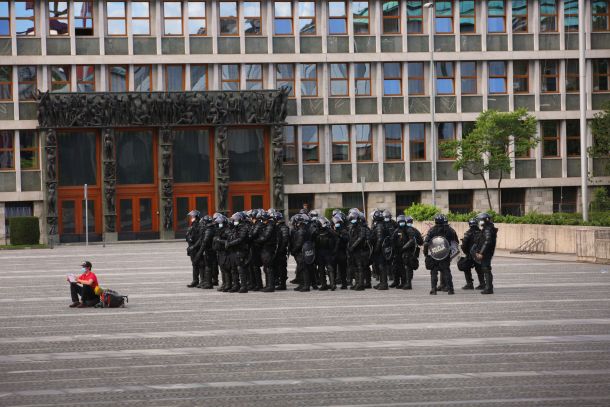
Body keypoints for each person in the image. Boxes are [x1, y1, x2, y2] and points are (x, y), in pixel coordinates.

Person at [423, 214, 458, 295]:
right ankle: (450, 290)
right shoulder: (450, 230)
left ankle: (434, 289)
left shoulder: (432, 230)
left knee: (433, 272)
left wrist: (426, 254)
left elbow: (425, 243)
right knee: (446, 271)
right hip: (445, 254)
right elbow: (455, 243)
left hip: (434, 254)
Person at [393, 215, 423, 290]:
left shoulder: (410, 230)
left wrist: (404, 247)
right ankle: (402, 283)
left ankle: (408, 283)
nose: (401, 223)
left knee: (407, 267)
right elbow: (393, 240)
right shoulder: (397, 230)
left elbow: (413, 241)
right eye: (400, 222)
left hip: (408, 252)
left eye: (403, 222)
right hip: (399, 252)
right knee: (400, 268)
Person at [473, 212, 498, 295]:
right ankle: (488, 286)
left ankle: (488, 288)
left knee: (486, 269)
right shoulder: (487, 228)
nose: (479, 222)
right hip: (486, 252)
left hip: (486, 253)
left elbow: (487, 241)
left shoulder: (487, 229)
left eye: (480, 220)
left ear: (484, 220)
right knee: (486, 269)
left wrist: (481, 252)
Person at [226, 212, 251, 293]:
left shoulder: (243, 227)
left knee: (240, 268)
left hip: (240, 250)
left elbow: (241, 238)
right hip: (233, 250)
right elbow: (229, 236)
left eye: (235, 219)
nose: (233, 221)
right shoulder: (234, 227)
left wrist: (230, 243)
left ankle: (244, 286)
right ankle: (236, 285)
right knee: (233, 269)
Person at [458, 218, 485, 290]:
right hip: (479, 254)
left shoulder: (468, 233)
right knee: (479, 269)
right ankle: (482, 284)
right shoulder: (481, 233)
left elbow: (464, 245)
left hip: (470, 255)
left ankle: (469, 284)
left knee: (466, 268)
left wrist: (466, 253)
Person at [255, 211, 278, 292]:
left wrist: (256, 240)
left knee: (268, 268)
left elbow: (265, 237)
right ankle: (268, 285)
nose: (260, 221)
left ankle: (270, 286)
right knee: (266, 268)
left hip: (268, 248)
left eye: (261, 219)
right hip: (265, 248)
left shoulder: (270, 225)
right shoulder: (267, 225)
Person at [347, 210, 369, 291]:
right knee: (355, 267)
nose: (352, 220)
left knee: (360, 267)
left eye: (354, 218)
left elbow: (361, 238)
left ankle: (361, 284)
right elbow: (350, 238)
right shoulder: (352, 227)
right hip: (353, 250)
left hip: (359, 250)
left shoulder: (361, 227)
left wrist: (353, 246)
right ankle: (357, 283)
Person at [315, 217, 339, 291]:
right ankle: (324, 284)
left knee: (330, 268)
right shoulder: (316, 232)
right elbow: (312, 242)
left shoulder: (330, 231)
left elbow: (337, 240)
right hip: (320, 252)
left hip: (328, 252)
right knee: (321, 269)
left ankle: (332, 284)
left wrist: (334, 250)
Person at [185, 210, 203, 288]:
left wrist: (194, 246)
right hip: (192, 248)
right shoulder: (192, 225)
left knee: (200, 264)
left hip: (197, 248)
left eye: (192, 216)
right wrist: (189, 239)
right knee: (194, 264)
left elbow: (200, 238)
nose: (191, 218)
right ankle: (195, 281)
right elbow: (188, 235)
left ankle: (202, 281)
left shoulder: (200, 225)